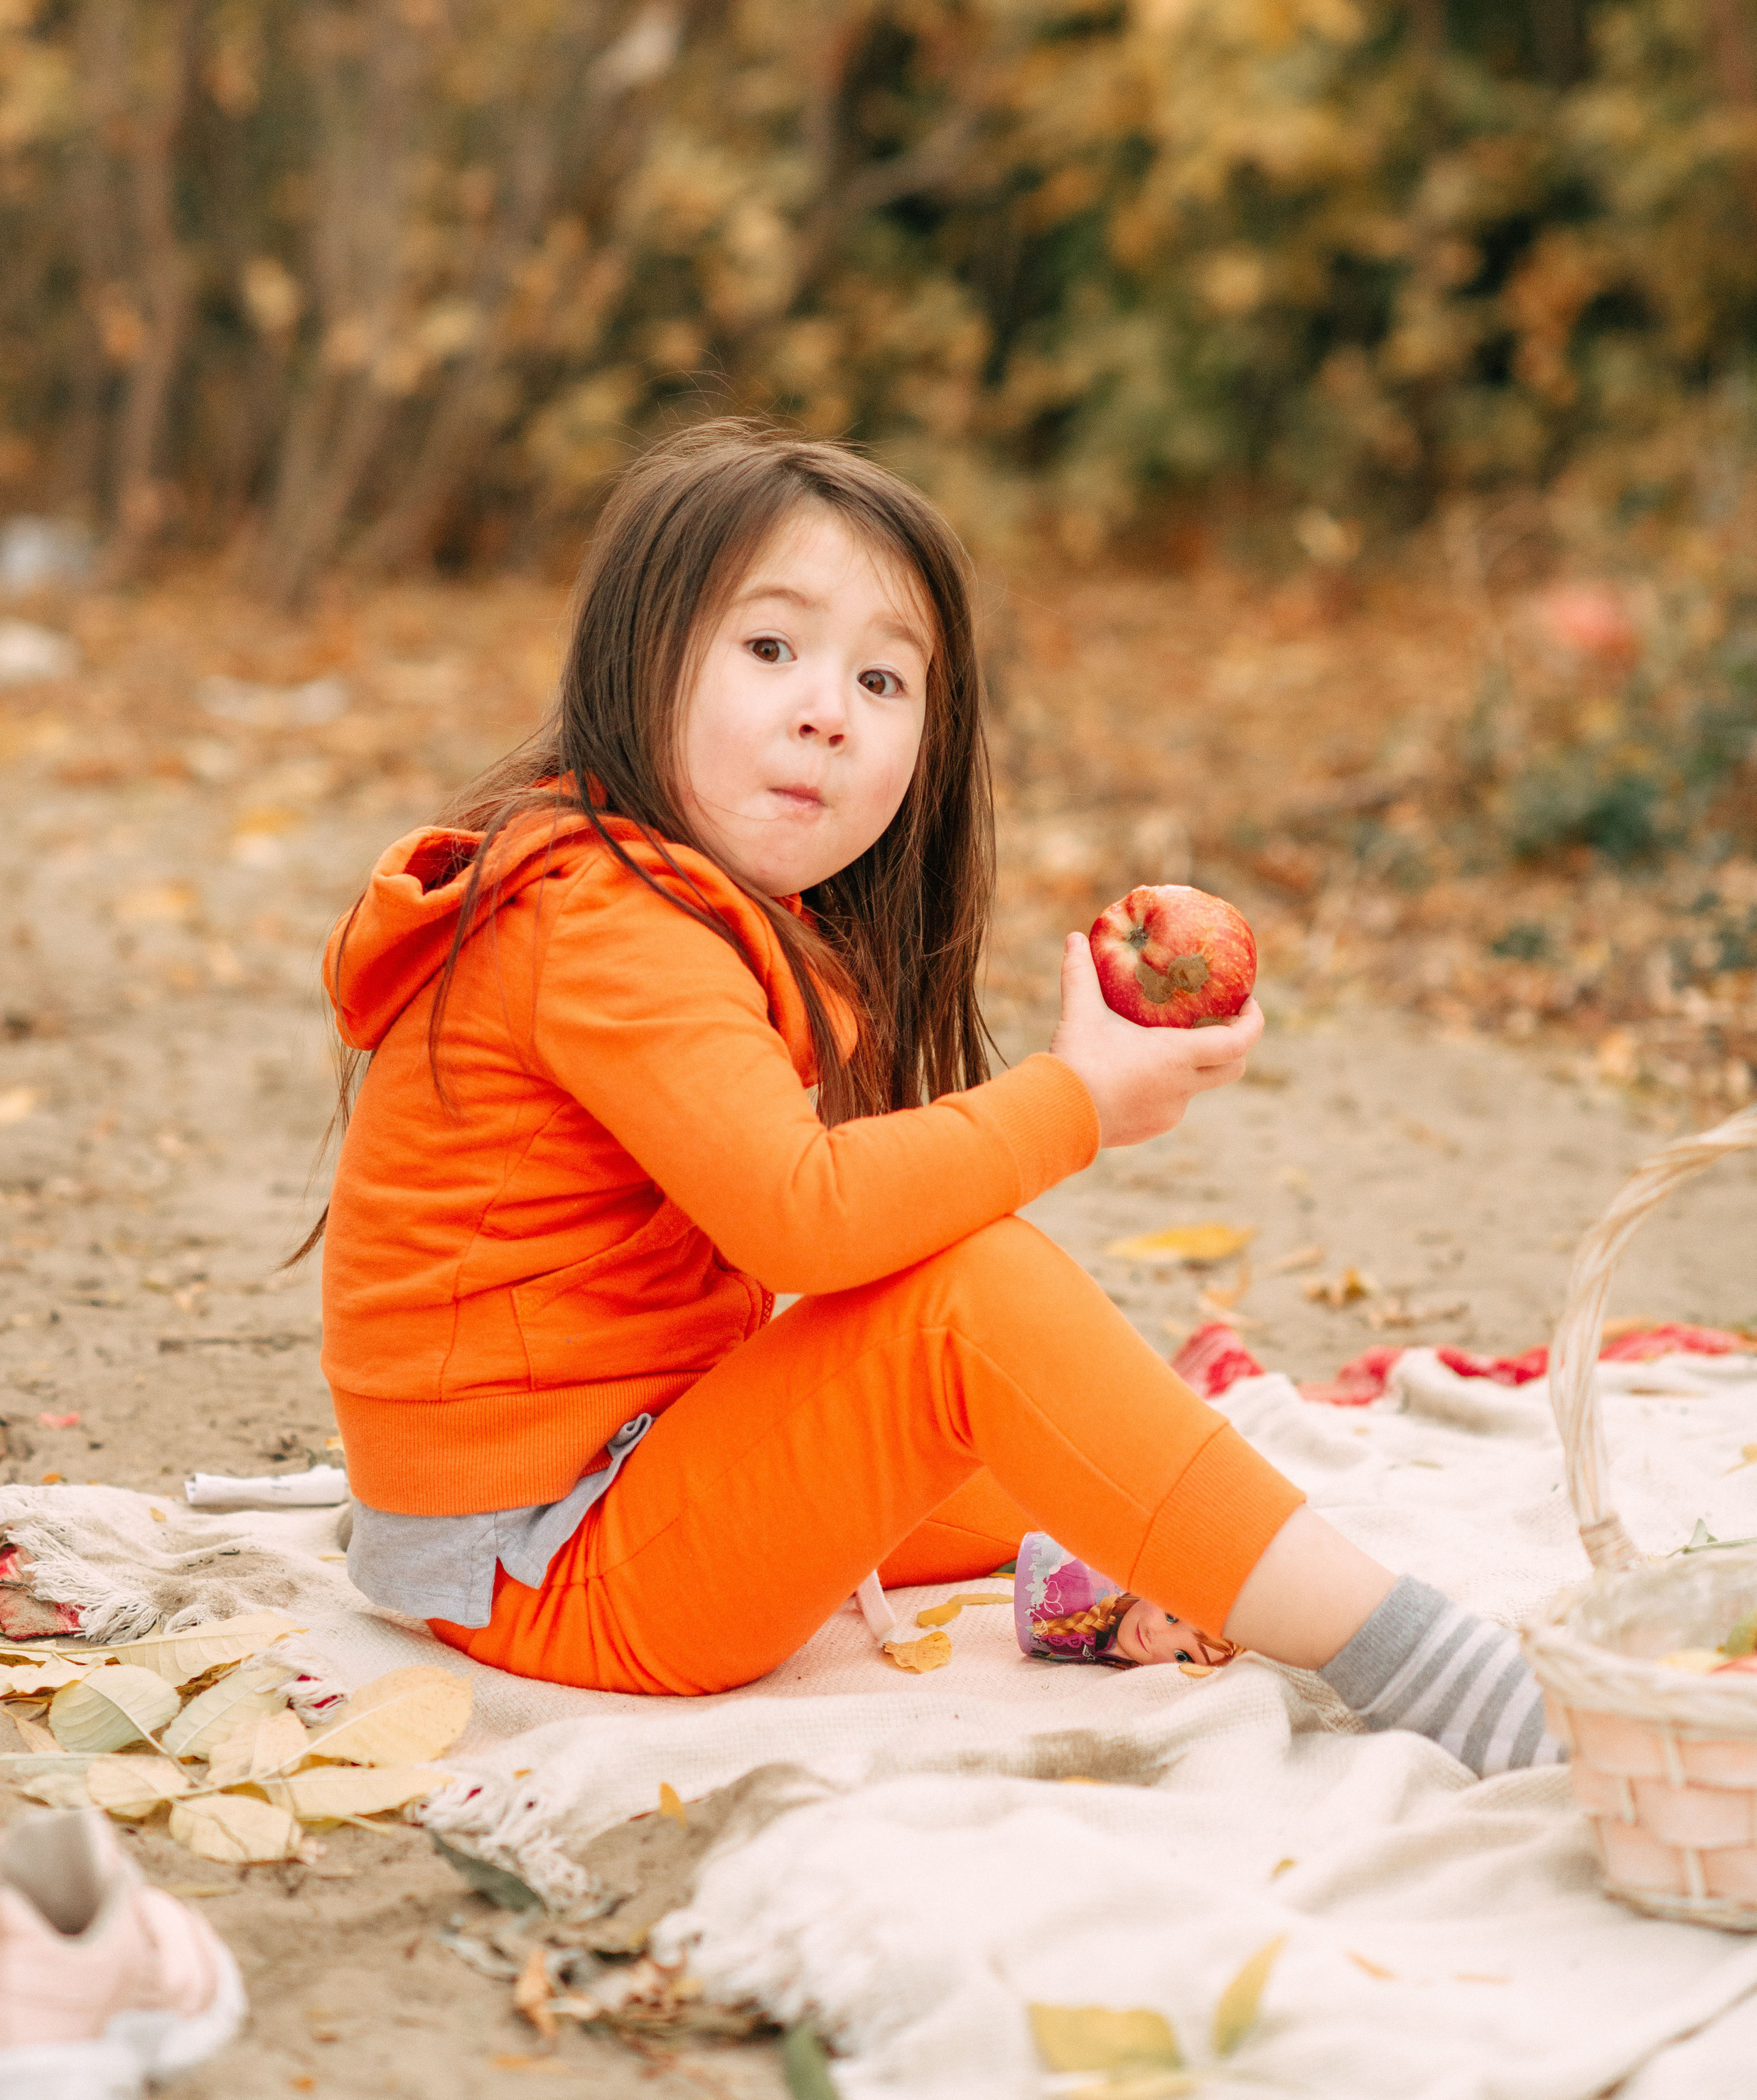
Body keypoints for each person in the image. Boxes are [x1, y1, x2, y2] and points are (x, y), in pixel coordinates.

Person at [312, 421, 1554, 1776]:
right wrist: (1076, 1098)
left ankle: (1113, 1585)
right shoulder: (603, 924)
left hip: (620, 1475)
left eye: (884, 678)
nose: (828, 707)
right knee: (979, 1310)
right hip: (544, 1570)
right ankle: (1422, 1662)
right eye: (770, 648)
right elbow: (805, 1222)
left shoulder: (679, 904)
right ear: (634, 658)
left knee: (1072, 1439)